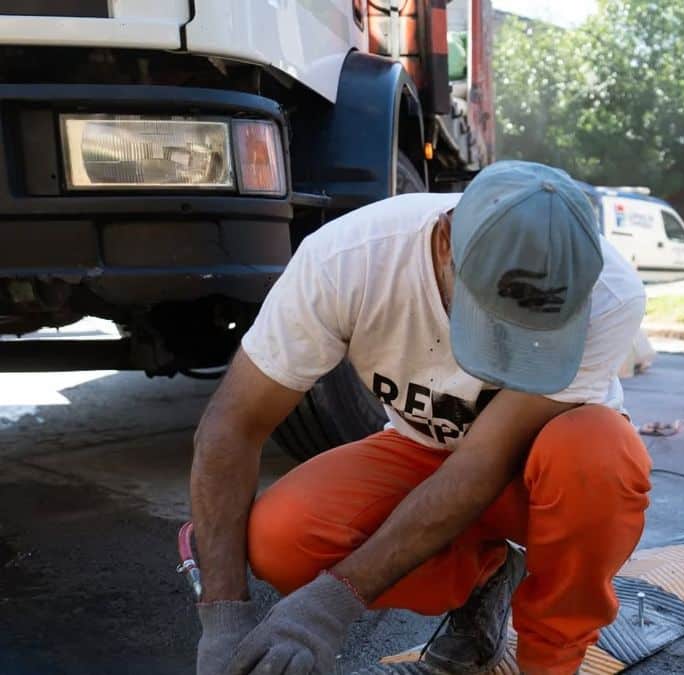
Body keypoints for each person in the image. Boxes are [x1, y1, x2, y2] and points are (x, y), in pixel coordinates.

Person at [189, 161, 651, 675]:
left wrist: (332, 603)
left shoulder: (610, 295)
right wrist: (223, 618)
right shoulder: (350, 260)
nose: (509, 344)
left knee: (597, 456)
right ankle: (482, 577)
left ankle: (551, 661)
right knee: (282, 539)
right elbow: (234, 423)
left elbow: (485, 460)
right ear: (446, 241)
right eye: (492, 316)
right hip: (425, 448)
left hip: (537, 472)